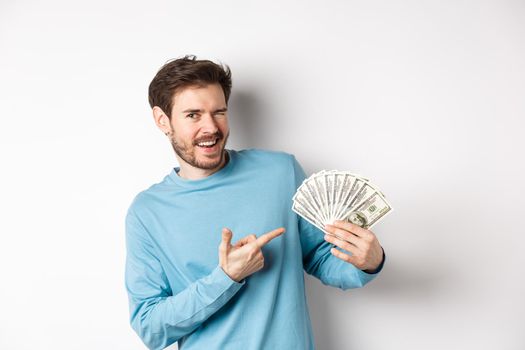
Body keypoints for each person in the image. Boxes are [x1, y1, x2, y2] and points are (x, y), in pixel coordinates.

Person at [125, 55, 385, 350]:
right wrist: (226, 277)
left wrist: (368, 263)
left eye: (219, 112)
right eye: (193, 115)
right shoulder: (147, 212)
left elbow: (322, 258)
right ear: (163, 121)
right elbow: (150, 328)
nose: (210, 127)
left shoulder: (280, 172)